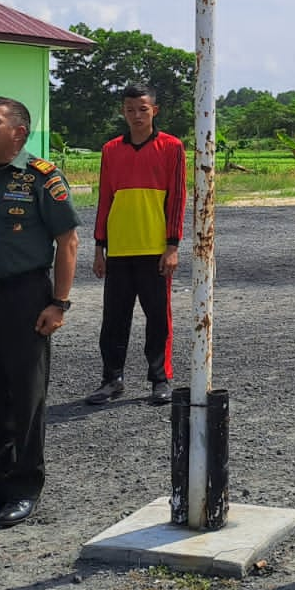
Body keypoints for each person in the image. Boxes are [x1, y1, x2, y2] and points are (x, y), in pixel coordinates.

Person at [0, 96, 79, 528]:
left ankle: (25, 488)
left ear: (19, 133)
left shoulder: (42, 178)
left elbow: (68, 242)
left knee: (25, 398)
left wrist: (58, 303)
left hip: (26, 299)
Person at [87, 83, 187, 407]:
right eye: (130, 109)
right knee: (114, 319)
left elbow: (177, 200)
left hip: (155, 249)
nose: (136, 115)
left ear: (154, 111)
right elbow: (105, 199)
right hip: (119, 250)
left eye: (143, 109)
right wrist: (99, 247)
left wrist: (172, 246)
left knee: (158, 317)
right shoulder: (111, 149)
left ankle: (160, 379)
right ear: (123, 112)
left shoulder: (172, 148)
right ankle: (111, 379)